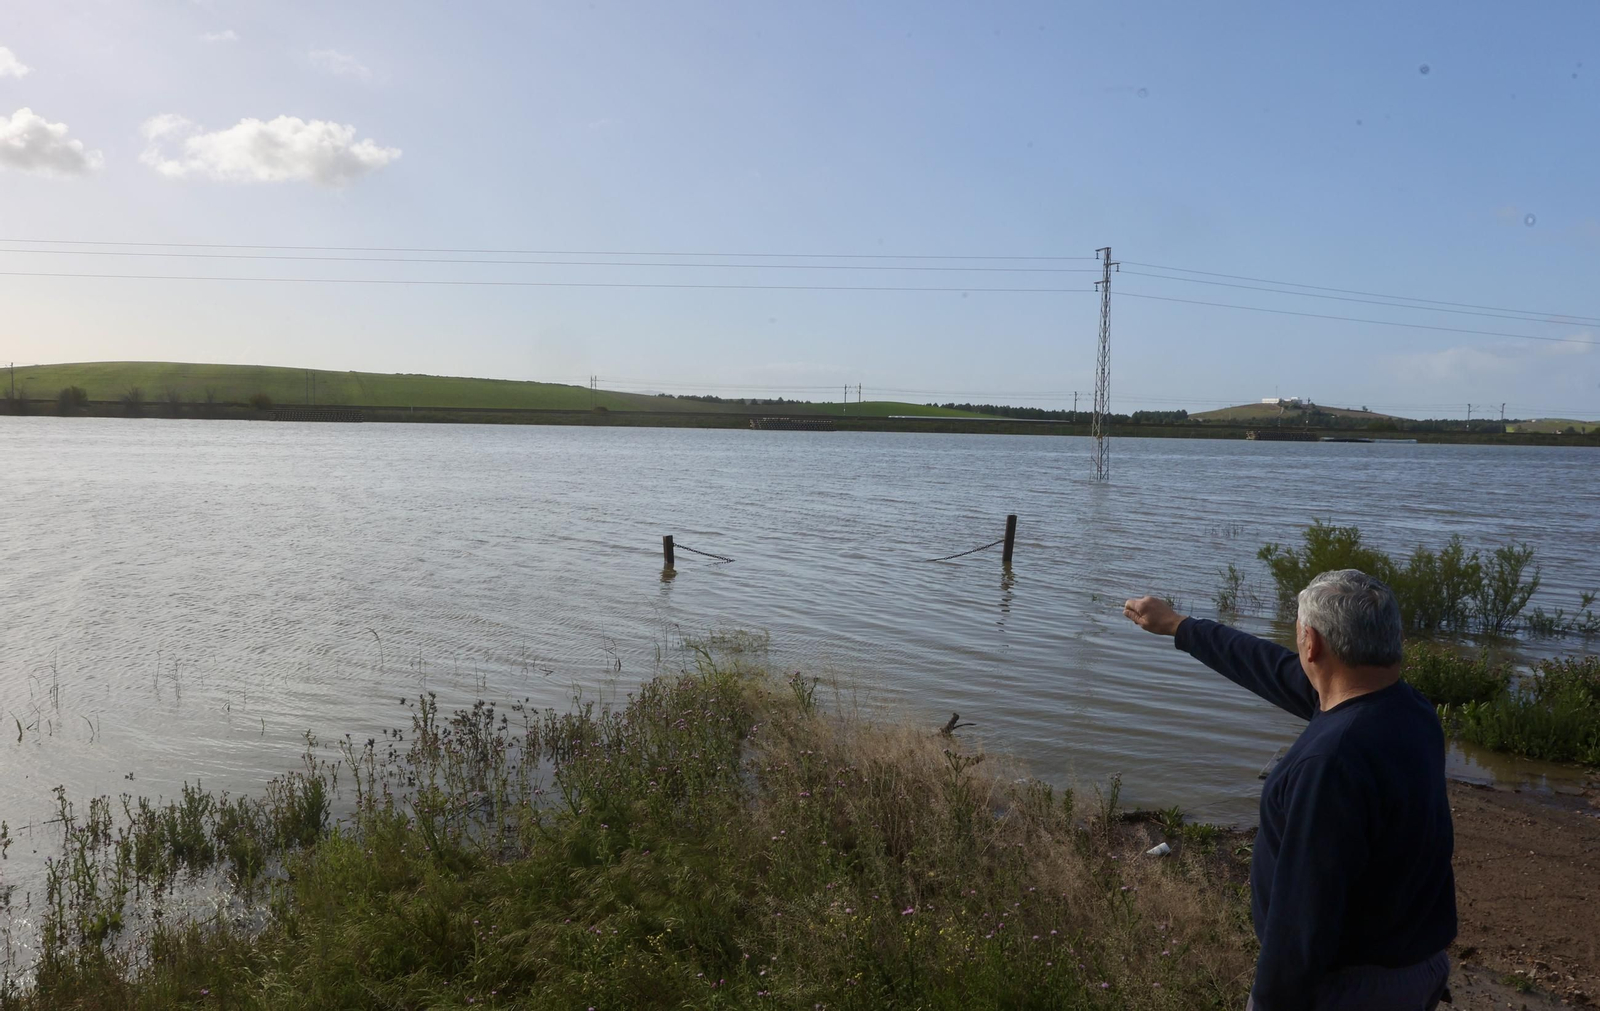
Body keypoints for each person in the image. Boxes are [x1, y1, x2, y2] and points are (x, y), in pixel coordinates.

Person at [1123, 569, 1456, 1011]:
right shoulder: (1407, 709)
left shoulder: (1331, 762)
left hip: (1349, 988)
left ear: (1312, 644)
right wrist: (1180, 626)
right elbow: (1271, 668)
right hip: (1414, 966)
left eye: (1299, 634)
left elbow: (1304, 919)